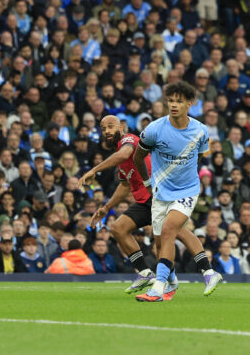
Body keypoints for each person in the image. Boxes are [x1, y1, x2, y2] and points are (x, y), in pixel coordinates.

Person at [81, 115, 211, 294]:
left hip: (158, 195)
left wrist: (94, 169)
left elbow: (124, 154)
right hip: (144, 201)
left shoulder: (129, 140)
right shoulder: (120, 156)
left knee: (176, 232)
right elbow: (125, 185)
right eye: (103, 129)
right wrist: (106, 207)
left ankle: (206, 271)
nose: (107, 131)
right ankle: (146, 273)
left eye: (111, 126)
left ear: (121, 127)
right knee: (119, 228)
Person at [133, 81, 222, 302]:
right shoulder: (154, 129)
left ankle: (158, 288)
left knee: (170, 230)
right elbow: (137, 157)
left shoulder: (200, 131)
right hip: (160, 192)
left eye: (179, 101)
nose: (173, 105)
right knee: (160, 243)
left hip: (187, 190)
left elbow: (198, 157)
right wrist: (146, 182)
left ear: (190, 104)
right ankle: (186, 277)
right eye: (170, 100)